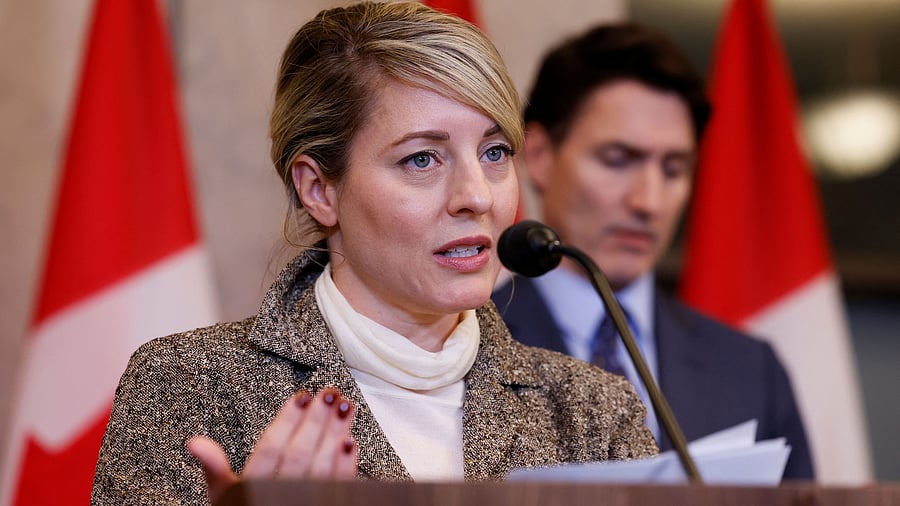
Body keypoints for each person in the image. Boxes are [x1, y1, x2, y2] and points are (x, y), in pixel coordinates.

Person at [91, 3, 657, 504]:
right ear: (320, 190)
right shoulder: (187, 386)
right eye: (421, 159)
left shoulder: (593, 411)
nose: (478, 196)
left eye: (494, 152)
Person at [492, 23, 814, 479]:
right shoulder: (464, 344)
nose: (649, 201)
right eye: (618, 160)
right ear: (540, 155)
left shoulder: (750, 369)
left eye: (674, 168)